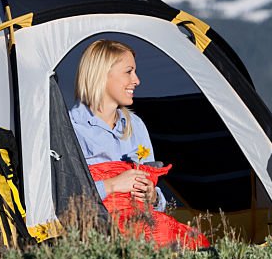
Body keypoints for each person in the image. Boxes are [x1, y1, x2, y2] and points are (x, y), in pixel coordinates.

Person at [69, 39, 209, 248]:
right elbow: (63, 199)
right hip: (98, 229)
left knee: (193, 242)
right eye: (129, 71)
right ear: (102, 74)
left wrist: (152, 196)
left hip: (141, 222)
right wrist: (114, 184)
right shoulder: (71, 128)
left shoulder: (135, 126)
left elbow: (155, 196)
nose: (137, 80)